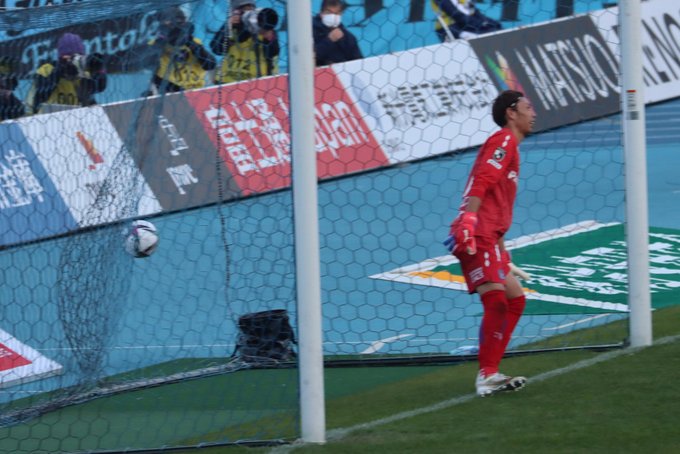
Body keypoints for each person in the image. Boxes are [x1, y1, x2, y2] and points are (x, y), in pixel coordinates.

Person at [444, 90, 536, 397]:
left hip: (489, 237)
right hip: (476, 234)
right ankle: (488, 376)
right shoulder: (504, 140)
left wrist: (502, 252)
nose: (533, 113)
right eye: (528, 107)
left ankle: (490, 371)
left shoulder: (510, 147)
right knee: (496, 302)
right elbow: (482, 179)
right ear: (512, 112)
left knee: (515, 299)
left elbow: (496, 202)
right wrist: (469, 221)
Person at [26, 32, 107, 115]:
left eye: (78, 57)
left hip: (73, 117)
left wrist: (98, 69)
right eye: (69, 57)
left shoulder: (82, 74)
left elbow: (100, 87)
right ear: (60, 57)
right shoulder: (47, 69)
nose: (73, 62)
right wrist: (61, 71)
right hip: (44, 116)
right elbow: (40, 95)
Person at [147, 6, 216, 94]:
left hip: (193, 90)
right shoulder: (157, 43)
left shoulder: (194, 42)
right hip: (168, 88)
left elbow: (210, 65)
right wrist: (161, 41)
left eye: (172, 24)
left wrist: (189, 41)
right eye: (165, 25)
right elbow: (145, 63)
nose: (169, 28)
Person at [210, 0, 279, 84]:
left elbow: (273, 52)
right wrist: (228, 26)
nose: (247, 12)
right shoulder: (231, 27)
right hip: (227, 82)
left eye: (250, 9)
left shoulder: (262, 27)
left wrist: (267, 35)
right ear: (234, 12)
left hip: (258, 83)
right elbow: (216, 49)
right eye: (243, 10)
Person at [313, 0, 363, 67]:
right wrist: (329, 40)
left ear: (341, 14)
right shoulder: (308, 31)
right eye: (329, 12)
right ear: (321, 13)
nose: (333, 16)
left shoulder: (348, 37)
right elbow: (307, 57)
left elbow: (359, 63)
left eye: (336, 13)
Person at [431, 0, 502, 41]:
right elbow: (457, 15)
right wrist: (482, 24)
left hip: (468, 25)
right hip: (450, 29)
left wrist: (490, 23)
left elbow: (474, 12)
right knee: (484, 36)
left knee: (496, 29)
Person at [0, 56, 25, 121]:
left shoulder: (11, 73)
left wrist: (8, 90)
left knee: (19, 108)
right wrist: (3, 91)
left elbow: (15, 83)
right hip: (2, 95)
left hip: (7, 95)